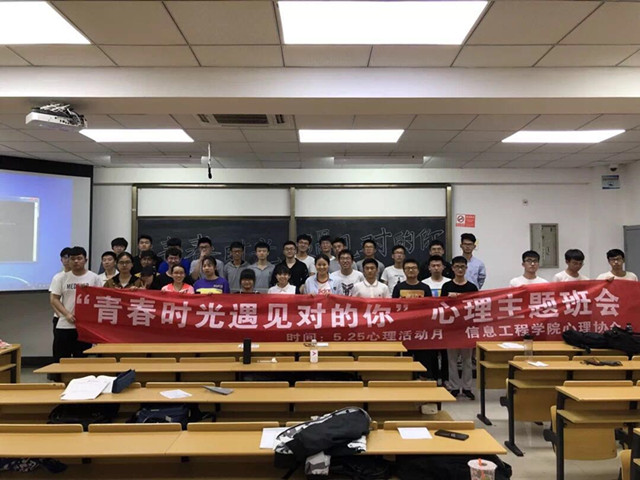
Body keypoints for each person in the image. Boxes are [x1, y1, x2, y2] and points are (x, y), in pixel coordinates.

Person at [49, 246, 102, 361]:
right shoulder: (61, 278)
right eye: (72, 259)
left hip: (84, 326)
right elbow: (55, 299)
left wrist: (88, 291)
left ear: (85, 260)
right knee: (61, 358)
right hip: (65, 324)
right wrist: (66, 314)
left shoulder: (94, 278)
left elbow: (100, 299)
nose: (76, 261)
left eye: (79, 258)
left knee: (81, 359)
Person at [442, 256, 479, 400]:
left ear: (466, 268)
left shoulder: (472, 287)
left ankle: (467, 387)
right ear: (452, 268)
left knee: (467, 360)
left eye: (462, 267)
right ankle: (454, 387)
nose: (460, 269)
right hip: (451, 328)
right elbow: (442, 307)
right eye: (457, 266)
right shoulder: (447, 287)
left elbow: (476, 306)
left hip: (466, 327)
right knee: (452, 360)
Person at [420, 254, 450, 385]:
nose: (436, 268)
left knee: (445, 353)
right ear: (429, 268)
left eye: (438, 265)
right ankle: (433, 377)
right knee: (431, 352)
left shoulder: (449, 283)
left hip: (446, 322)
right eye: (433, 266)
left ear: (443, 267)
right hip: (429, 322)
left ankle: (445, 379)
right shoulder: (424, 283)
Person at [48, 247, 72, 336]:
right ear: (61, 260)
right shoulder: (58, 277)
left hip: (75, 317)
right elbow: (53, 299)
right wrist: (60, 315)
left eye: (70, 257)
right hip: (60, 317)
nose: (67, 260)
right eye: (65, 257)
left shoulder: (80, 276)